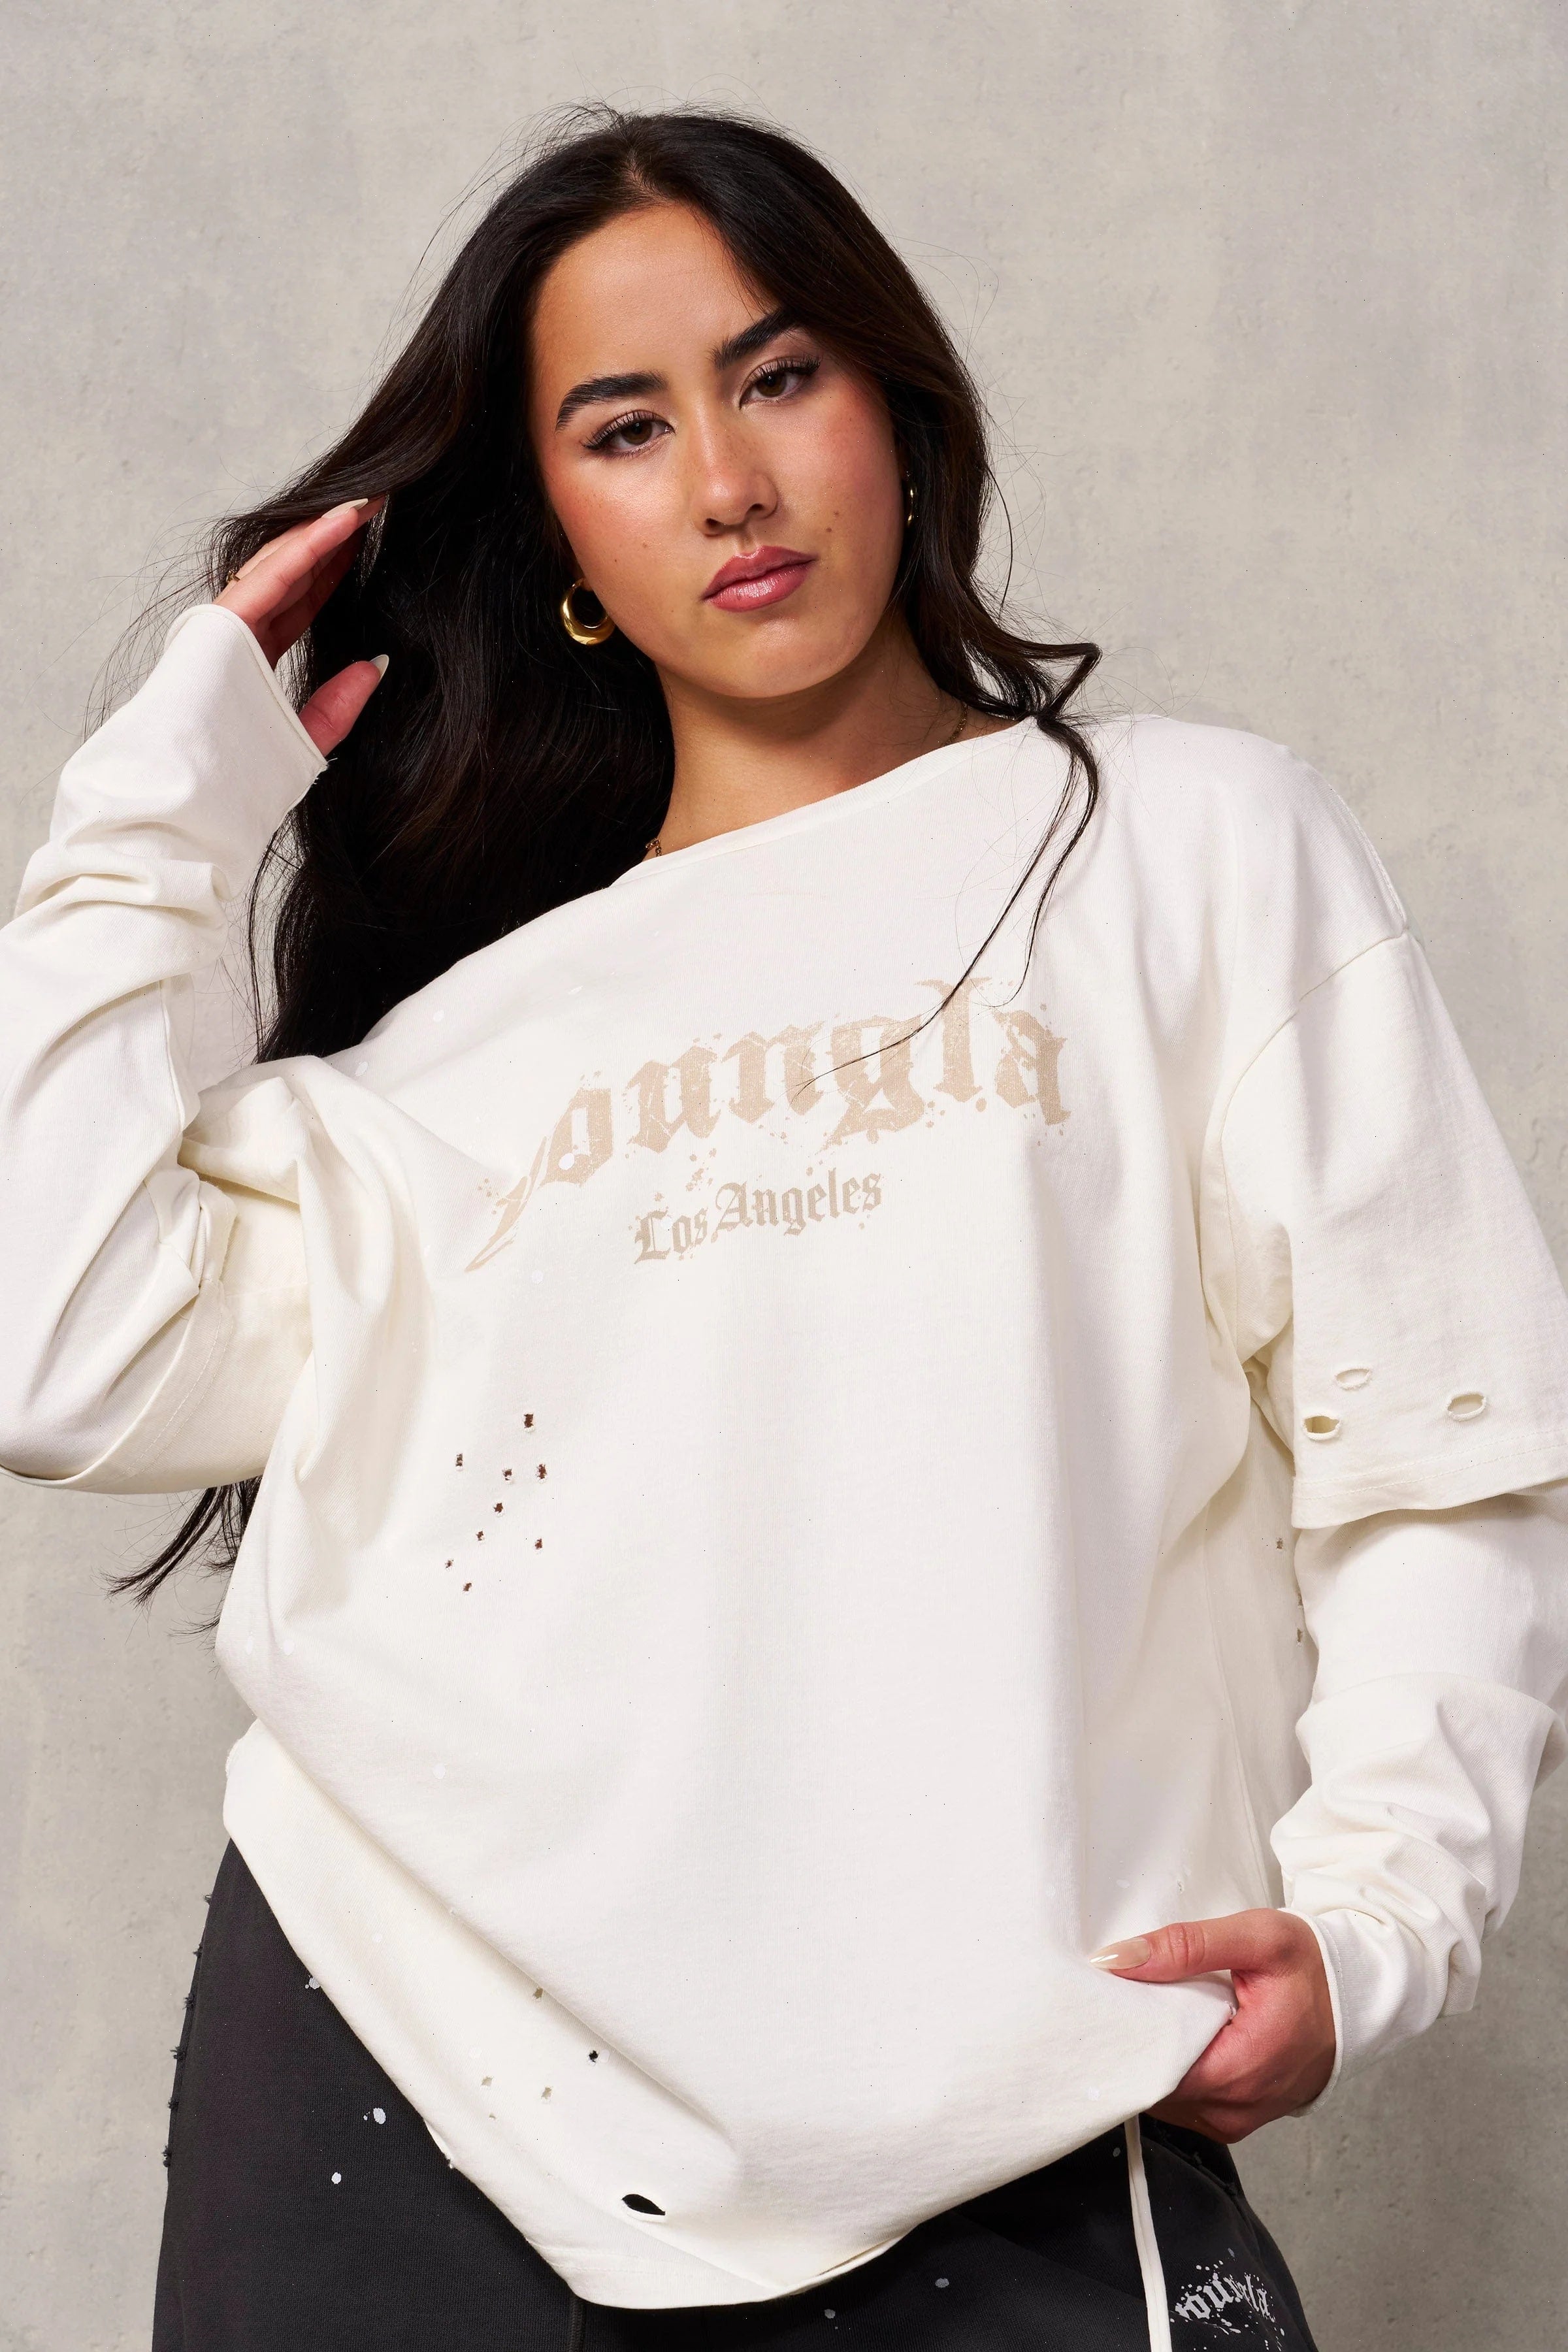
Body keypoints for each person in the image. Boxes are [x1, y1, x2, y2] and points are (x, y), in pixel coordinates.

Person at [3, 106, 1566, 2352]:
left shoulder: (1184, 851)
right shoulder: (451, 1054)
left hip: (1004, 2090)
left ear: (898, 414)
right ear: (559, 531)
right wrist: (159, 804)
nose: (728, 483)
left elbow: (1441, 1446)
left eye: (777, 377)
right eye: (626, 429)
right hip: (393, 2077)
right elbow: (53, 1348)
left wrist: (1381, 1908)